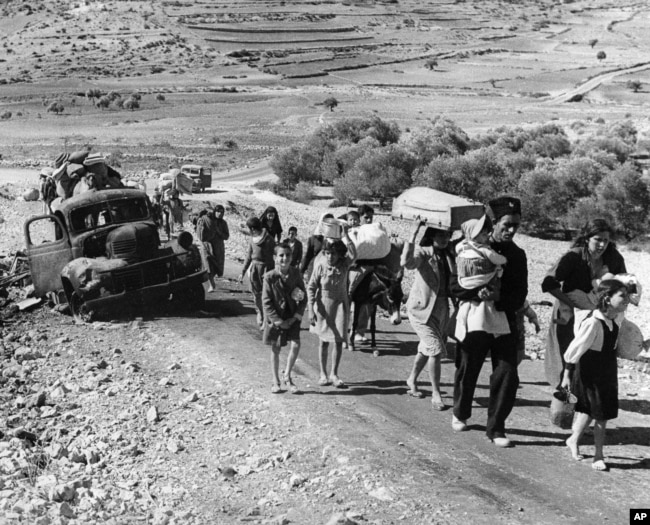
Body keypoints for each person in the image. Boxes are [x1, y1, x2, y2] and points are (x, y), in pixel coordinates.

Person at [451, 196, 528, 448]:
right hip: (474, 319)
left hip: (504, 320)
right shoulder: (467, 246)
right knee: (468, 367)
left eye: (516, 225)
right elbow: (455, 285)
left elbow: (519, 294)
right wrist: (477, 293)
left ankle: (496, 428)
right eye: (506, 225)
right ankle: (460, 412)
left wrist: (499, 296)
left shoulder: (517, 255)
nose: (511, 230)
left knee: (507, 373)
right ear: (493, 223)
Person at [541, 219, 626, 389]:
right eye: (598, 239)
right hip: (569, 311)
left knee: (591, 354)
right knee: (566, 353)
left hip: (597, 315)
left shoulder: (614, 257)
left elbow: (623, 283)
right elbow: (548, 284)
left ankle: (584, 396)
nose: (602, 244)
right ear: (587, 238)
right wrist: (572, 305)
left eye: (606, 240)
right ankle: (563, 397)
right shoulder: (574, 256)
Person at [561, 280, 630, 471]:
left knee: (594, 411)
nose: (627, 300)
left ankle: (573, 439)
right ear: (607, 299)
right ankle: (598, 455)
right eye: (622, 296)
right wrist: (566, 376)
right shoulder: (592, 323)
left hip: (607, 370)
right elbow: (574, 350)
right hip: (590, 372)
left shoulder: (616, 318)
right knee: (600, 415)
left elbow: (622, 342)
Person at [402, 220, 455, 410]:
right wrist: (413, 233)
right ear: (432, 236)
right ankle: (436, 393)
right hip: (420, 309)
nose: (444, 239)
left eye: (447, 235)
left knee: (427, 348)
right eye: (440, 235)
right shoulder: (423, 253)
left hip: (441, 309)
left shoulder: (449, 254)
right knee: (436, 350)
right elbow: (407, 263)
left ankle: (412, 380)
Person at [307, 229, 357, 388]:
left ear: (339, 254)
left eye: (334, 253)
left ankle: (334, 374)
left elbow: (354, 254)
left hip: (340, 305)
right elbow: (311, 287)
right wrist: (310, 308)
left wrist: (346, 235)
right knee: (323, 341)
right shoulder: (320, 266)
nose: (330, 256)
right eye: (327, 253)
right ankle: (322, 373)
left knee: (338, 341)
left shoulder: (344, 264)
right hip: (323, 305)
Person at [454, 214, 510, 342]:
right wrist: (505, 260)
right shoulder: (484, 250)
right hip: (482, 285)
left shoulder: (461, 247)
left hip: (464, 285)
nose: (487, 236)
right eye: (483, 234)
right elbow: (497, 259)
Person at [262, 242, 308, 394]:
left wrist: (296, 317)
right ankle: (275, 381)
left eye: (288, 255)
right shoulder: (269, 277)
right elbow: (266, 301)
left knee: (296, 345)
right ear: (275, 258)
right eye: (281, 255)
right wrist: (278, 321)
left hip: (292, 316)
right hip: (277, 318)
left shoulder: (296, 274)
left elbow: (303, 297)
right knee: (276, 348)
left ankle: (287, 375)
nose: (285, 258)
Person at [239, 217, 275, 328]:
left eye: (249, 229)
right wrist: (243, 272)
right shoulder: (252, 239)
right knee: (256, 295)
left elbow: (274, 256)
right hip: (254, 270)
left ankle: (265, 320)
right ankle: (260, 312)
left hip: (266, 270)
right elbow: (248, 256)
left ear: (253, 229)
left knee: (265, 296)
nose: (249, 231)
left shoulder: (269, 239)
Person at [212, 205, 230, 279]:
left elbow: (226, 236)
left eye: (222, 212)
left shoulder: (223, 223)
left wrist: (219, 232)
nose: (220, 214)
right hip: (210, 244)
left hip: (219, 246)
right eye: (218, 212)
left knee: (218, 263)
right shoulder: (210, 221)